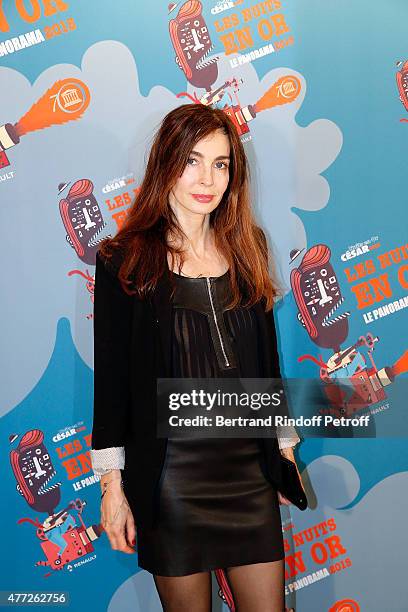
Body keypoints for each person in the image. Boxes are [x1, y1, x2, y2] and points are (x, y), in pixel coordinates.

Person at [90, 103, 305, 612]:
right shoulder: (123, 259)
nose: (207, 178)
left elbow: (266, 364)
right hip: (172, 480)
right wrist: (112, 486)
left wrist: (283, 449)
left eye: (221, 163)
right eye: (192, 160)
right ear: (166, 162)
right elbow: (113, 382)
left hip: (248, 474)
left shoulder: (248, 245)